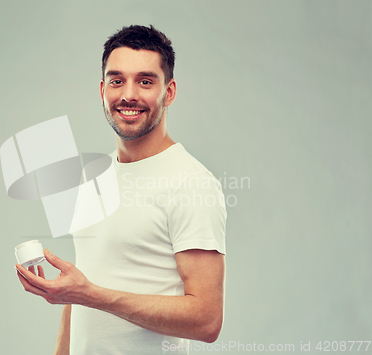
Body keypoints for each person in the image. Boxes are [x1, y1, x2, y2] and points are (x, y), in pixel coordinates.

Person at [15, 25, 227, 355]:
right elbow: (80, 291)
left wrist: (89, 294)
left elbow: (206, 320)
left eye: (145, 81)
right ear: (102, 90)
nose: (128, 94)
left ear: (168, 92)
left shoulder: (192, 183)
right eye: (117, 80)